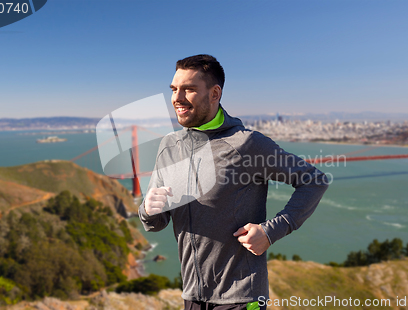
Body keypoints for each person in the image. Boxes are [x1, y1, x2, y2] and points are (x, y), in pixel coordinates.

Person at [139, 54, 329, 310]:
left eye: (189, 89)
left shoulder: (246, 143)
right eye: (174, 89)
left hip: (242, 298)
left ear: (215, 93)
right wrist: (148, 210)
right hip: (192, 297)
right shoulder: (169, 146)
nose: (177, 98)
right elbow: (157, 223)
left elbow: (313, 180)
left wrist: (271, 232)